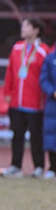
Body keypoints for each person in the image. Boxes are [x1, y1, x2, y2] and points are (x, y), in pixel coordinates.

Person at [1, 18, 49, 178]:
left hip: (35, 103)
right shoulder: (17, 48)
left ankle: (39, 167)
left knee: (36, 137)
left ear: (36, 30)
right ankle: (15, 166)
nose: (23, 28)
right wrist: (7, 93)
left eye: (27, 26)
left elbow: (47, 76)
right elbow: (9, 72)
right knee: (17, 135)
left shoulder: (44, 51)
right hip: (16, 101)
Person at [41, 48, 56, 179]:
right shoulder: (51, 58)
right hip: (53, 104)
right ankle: (52, 167)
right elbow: (44, 79)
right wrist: (52, 92)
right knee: (51, 135)